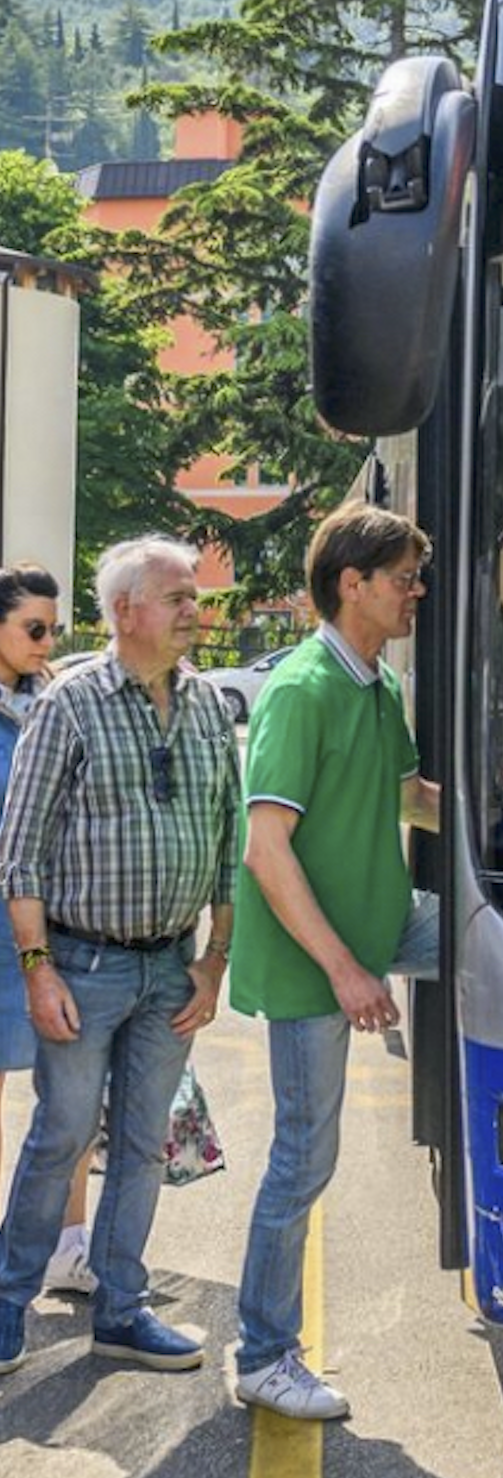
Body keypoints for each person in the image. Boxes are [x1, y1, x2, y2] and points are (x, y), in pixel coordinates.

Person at [0, 535, 239, 1379]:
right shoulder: (67, 705)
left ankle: (121, 1311)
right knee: (60, 1136)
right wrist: (38, 968)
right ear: (125, 612)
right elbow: (19, 851)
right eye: (177, 598)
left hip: (171, 968)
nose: (194, 612)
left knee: (140, 1146)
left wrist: (214, 963)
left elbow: (226, 845)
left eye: (195, 598)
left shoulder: (211, 707)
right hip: (84, 965)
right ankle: (5, 1309)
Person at [231, 501, 439, 1422]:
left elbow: (410, 799)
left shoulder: (375, 687)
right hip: (317, 963)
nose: (416, 592)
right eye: (403, 578)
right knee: (303, 1159)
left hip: (385, 924)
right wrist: (350, 974)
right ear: (351, 585)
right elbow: (265, 850)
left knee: (497, 943)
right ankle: (263, 1354)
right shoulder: (303, 688)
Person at [0, 565, 96, 1298]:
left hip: (48, 931)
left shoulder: (52, 701)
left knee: (69, 1100)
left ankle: (68, 1247)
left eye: (53, 628)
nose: (49, 641)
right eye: (35, 627)